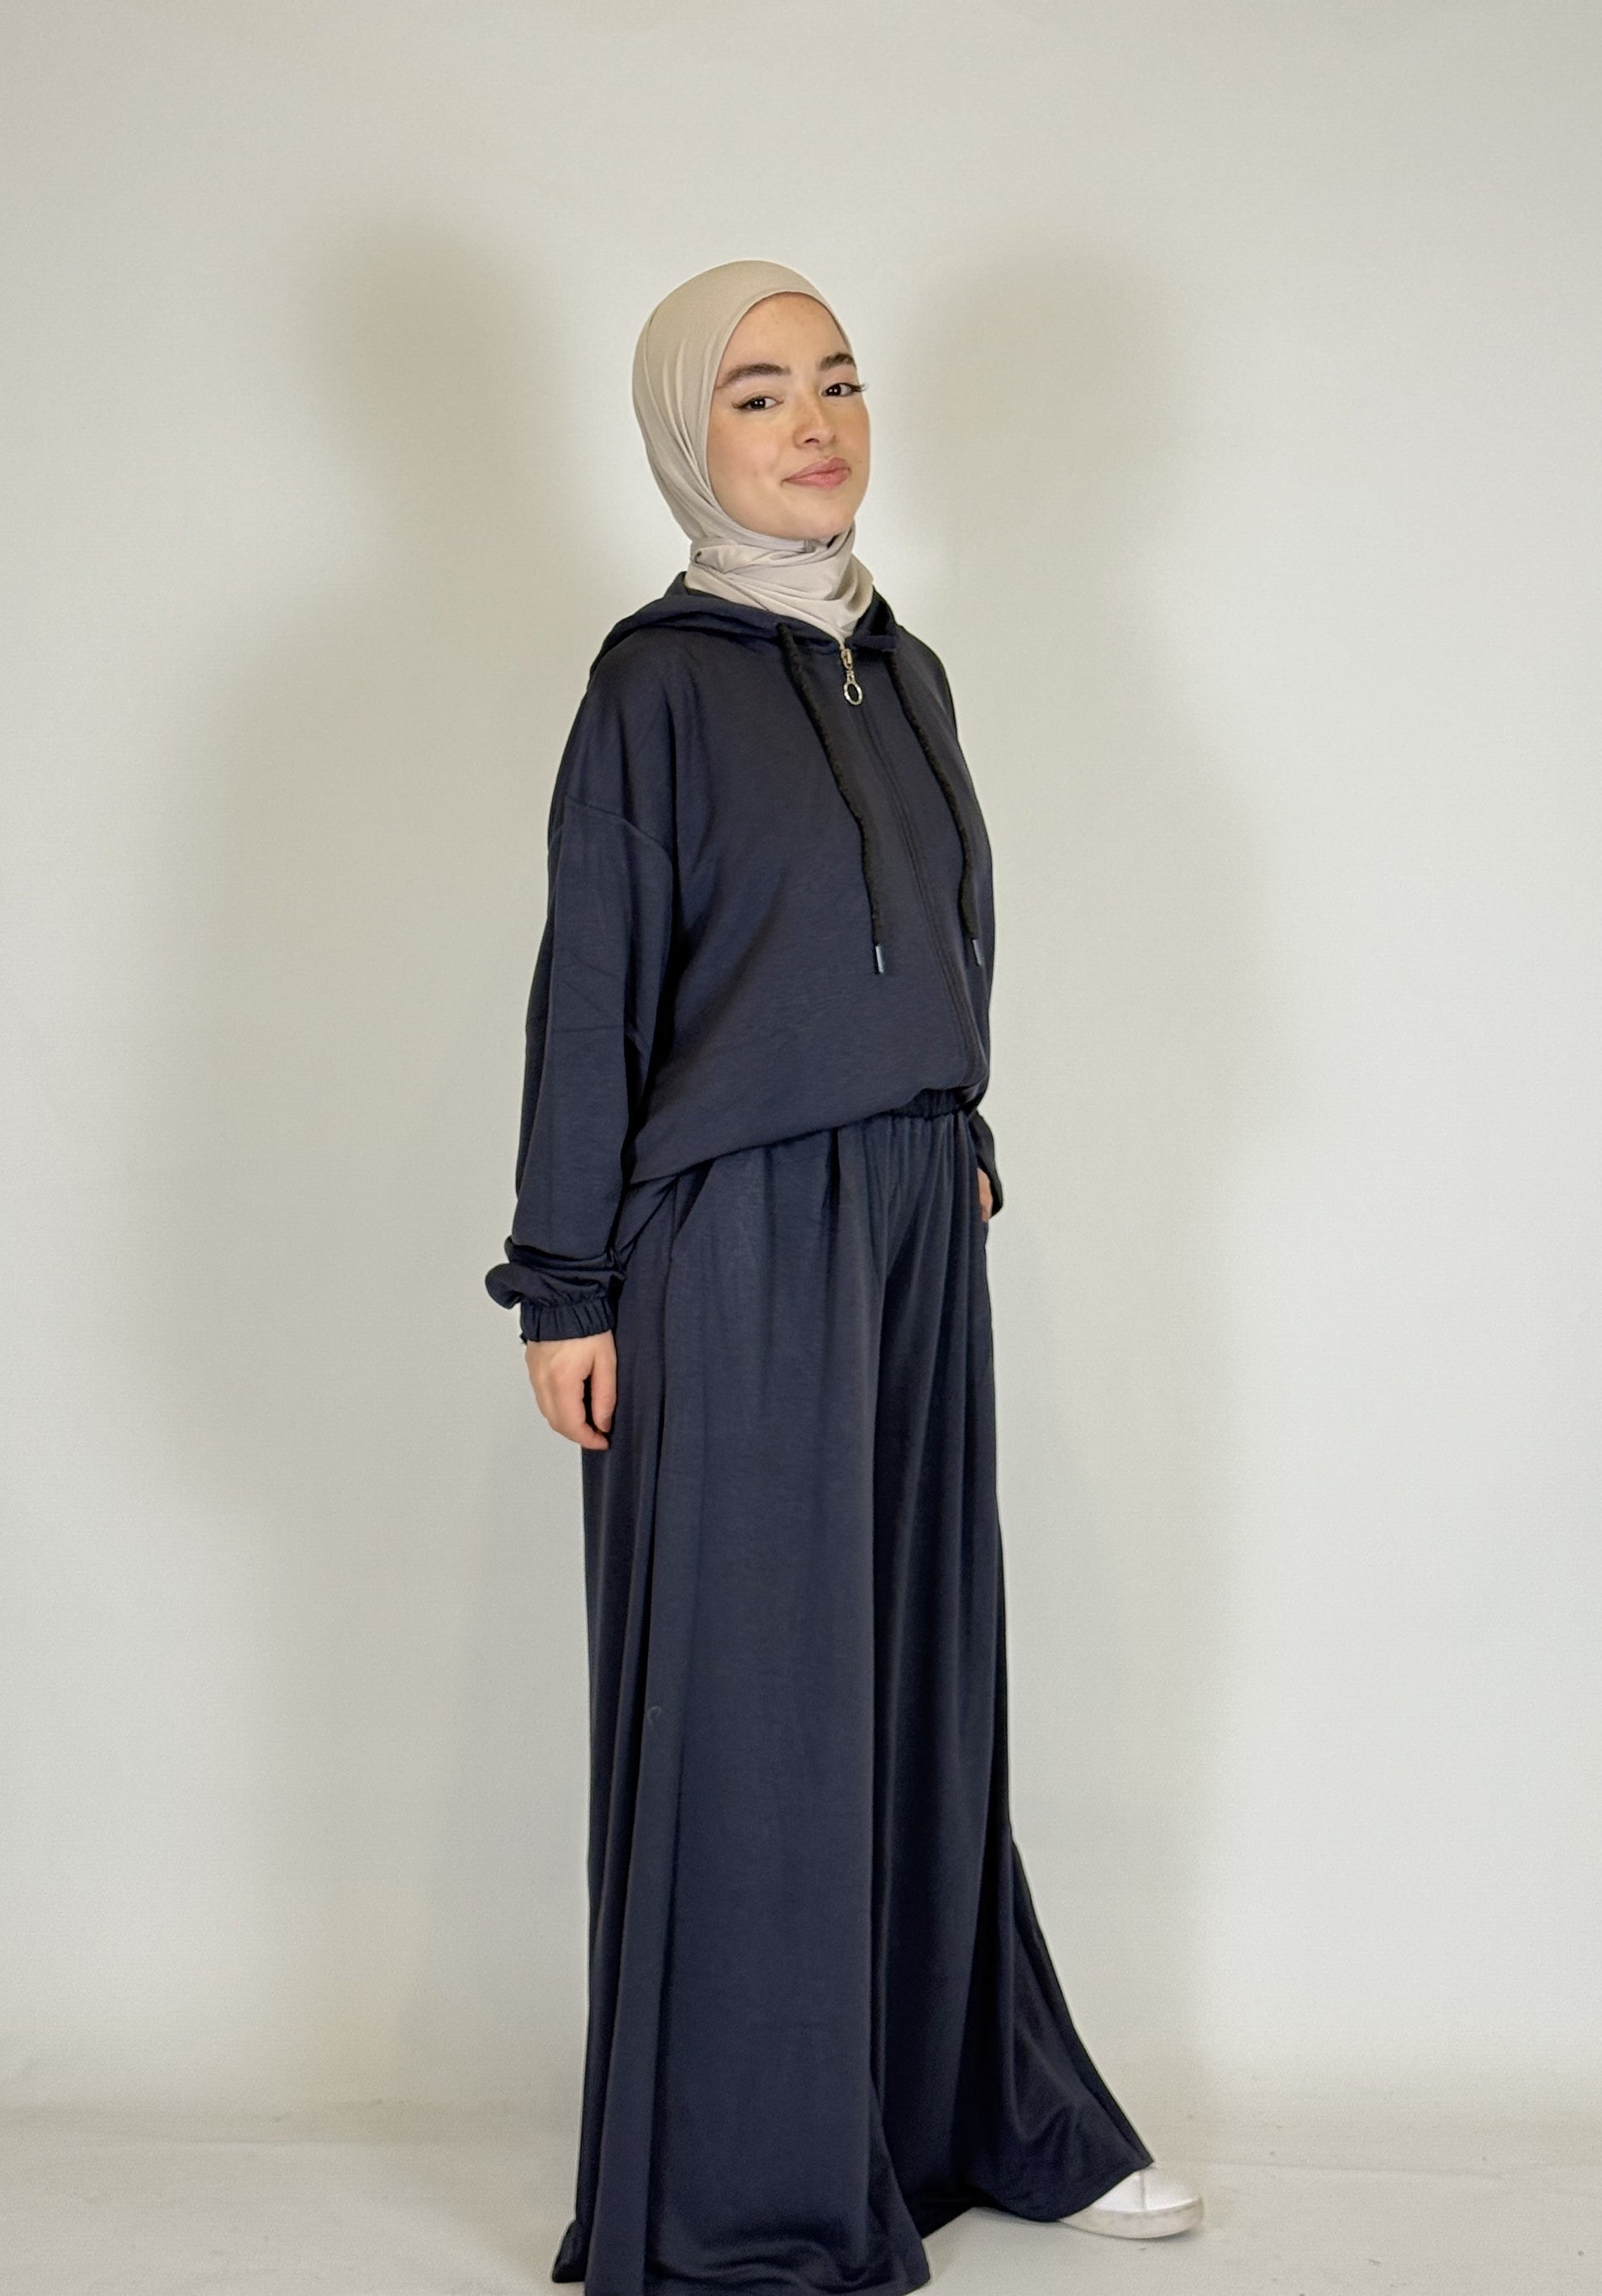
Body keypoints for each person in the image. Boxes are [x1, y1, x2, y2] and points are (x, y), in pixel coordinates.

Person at [485, 259, 1203, 2296]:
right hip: (728, 1241)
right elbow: (594, 993)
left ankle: (970, 2113)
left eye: (837, 382)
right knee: (761, 1704)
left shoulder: (908, 667)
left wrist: (951, 1124)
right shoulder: (654, 687)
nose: (812, 423)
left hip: (905, 1219)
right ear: (682, 438)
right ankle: (750, 2196)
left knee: (920, 1679)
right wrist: (565, 1283)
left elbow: (936, 931)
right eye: (756, 395)